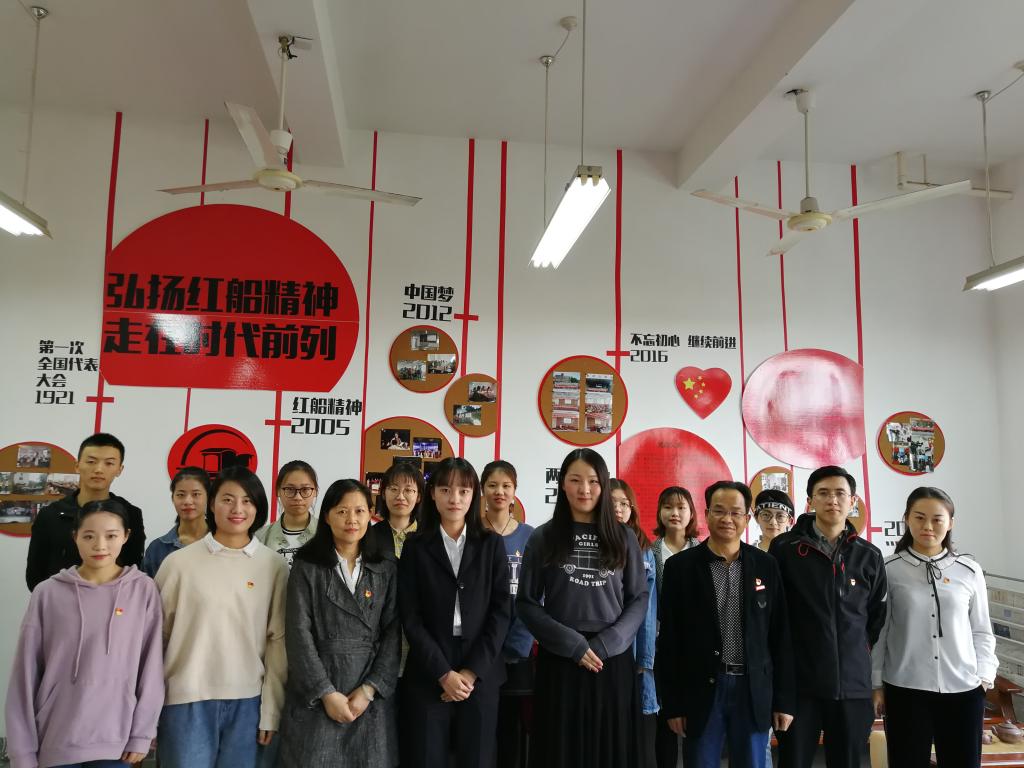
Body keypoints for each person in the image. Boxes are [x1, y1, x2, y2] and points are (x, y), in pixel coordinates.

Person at [5, 499, 164, 768]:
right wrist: (21, 751)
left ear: (126, 536)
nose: (100, 545)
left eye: (111, 536)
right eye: (89, 536)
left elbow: (151, 668)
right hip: (55, 738)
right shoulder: (47, 593)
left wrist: (142, 733)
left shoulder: (143, 591)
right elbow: (25, 674)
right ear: (75, 536)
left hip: (116, 742)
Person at [517, 448, 648, 768]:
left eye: (592, 481)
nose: (584, 489)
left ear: (603, 485)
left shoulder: (624, 537)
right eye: (575, 480)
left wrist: (608, 642)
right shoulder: (544, 536)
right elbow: (527, 603)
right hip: (561, 659)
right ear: (562, 484)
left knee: (611, 750)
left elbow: (638, 598)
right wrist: (571, 644)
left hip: (611, 661)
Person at [154, 466, 289, 768]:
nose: (237, 509)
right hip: (185, 700)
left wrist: (271, 710)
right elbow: (155, 640)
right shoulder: (178, 564)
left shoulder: (273, 566)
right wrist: (148, 710)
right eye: (227, 499)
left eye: (247, 500)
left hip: (248, 704)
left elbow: (278, 644)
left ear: (259, 507)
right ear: (212, 504)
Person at [656, 481, 794, 768]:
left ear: (747, 517)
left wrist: (784, 700)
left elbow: (780, 635)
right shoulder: (680, 567)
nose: (727, 519)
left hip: (752, 689)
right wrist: (673, 704)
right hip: (702, 688)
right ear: (706, 514)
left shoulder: (765, 565)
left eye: (735, 512)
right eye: (719, 511)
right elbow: (670, 640)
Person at [276, 479, 400, 768]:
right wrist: (325, 692)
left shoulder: (385, 566)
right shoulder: (307, 565)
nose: (351, 519)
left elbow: (393, 631)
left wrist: (370, 689)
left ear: (370, 515)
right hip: (320, 693)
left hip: (368, 695)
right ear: (327, 516)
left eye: (359, 511)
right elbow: (298, 633)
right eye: (342, 511)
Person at [770, 465, 887, 768]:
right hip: (799, 684)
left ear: (853, 501)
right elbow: (774, 615)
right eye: (823, 493)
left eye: (840, 493)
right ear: (810, 501)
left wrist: (855, 648)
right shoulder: (784, 549)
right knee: (793, 762)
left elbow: (876, 616)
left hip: (852, 685)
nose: (832, 500)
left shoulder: (868, 555)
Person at [871, 487, 997, 768]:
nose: (927, 526)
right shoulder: (888, 569)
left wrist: (984, 677)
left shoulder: (969, 570)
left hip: (963, 688)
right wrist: (876, 683)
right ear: (906, 519)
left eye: (937, 519)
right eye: (919, 517)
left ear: (950, 523)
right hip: (906, 688)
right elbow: (881, 632)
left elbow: (981, 629)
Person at [398, 457, 511, 768]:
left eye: (463, 491)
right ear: (432, 494)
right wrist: (443, 673)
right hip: (430, 668)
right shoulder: (415, 547)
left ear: (474, 495)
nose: (454, 498)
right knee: (426, 757)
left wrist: (471, 672)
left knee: (478, 759)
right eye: (445, 490)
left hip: (481, 667)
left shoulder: (491, 544)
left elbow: (502, 611)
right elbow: (410, 616)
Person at [26, 433, 146, 591]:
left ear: (119, 469)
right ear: (77, 465)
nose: (98, 469)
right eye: (91, 462)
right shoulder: (51, 515)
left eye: (109, 463)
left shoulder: (130, 514)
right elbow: (36, 574)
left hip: (114, 601)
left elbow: (133, 568)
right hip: (61, 601)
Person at [481, 460, 535, 768]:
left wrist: (517, 644)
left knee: (511, 731)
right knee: (479, 730)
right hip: (478, 649)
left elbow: (537, 595)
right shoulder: (472, 533)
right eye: (492, 485)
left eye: (506, 486)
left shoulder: (530, 537)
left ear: (515, 491)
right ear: (482, 491)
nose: (499, 492)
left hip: (517, 652)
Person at [610, 478, 658, 768]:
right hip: (604, 652)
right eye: (612, 503)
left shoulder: (644, 549)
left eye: (624, 503)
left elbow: (648, 611)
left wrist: (645, 659)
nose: (618, 509)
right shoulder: (591, 544)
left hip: (635, 651)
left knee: (639, 733)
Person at [141, 466, 211, 577]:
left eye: (196, 494)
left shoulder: (223, 542)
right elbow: (146, 587)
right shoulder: (157, 549)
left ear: (209, 497)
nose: (187, 501)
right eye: (181, 495)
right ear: (173, 498)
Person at [256, 460, 319, 569]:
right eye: (290, 489)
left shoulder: (328, 534)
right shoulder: (260, 537)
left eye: (305, 489)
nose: (298, 497)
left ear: (315, 491)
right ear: (278, 491)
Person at [367, 463, 424, 559]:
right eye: (394, 489)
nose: (400, 497)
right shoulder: (370, 536)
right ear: (383, 494)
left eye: (408, 490)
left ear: (418, 496)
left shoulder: (428, 536)